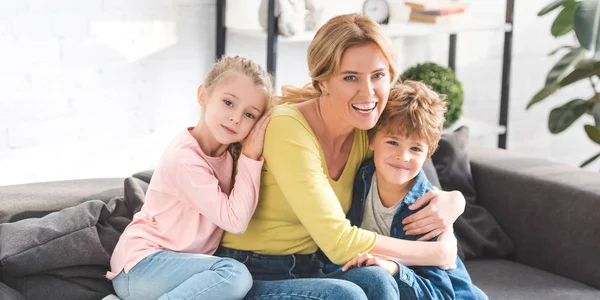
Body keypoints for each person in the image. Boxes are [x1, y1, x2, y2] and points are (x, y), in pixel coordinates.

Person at [215, 14, 466, 299]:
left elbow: (413, 178)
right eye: (350, 78)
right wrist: (436, 253)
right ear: (323, 82)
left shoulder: (366, 129)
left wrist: (454, 201)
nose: (368, 92)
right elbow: (338, 242)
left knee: (379, 279)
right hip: (250, 273)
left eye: (378, 76)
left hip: (312, 269)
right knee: (348, 296)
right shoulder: (287, 128)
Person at [105, 56, 273, 300]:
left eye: (249, 115)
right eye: (228, 102)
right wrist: (251, 155)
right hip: (140, 266)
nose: (236, 118)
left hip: (180, 268)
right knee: (235, 276)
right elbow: (235, 221)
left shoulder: (227, 154)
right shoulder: (185, 159)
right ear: (203, 96)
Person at [335, 81, 488, 299]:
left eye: (415, 148)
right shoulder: (360, 176)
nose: (402, 156)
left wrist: (394, 269)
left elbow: (441, 294)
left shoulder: (426, 211)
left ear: (428, 154)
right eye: (392, 142)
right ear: (371, 139)